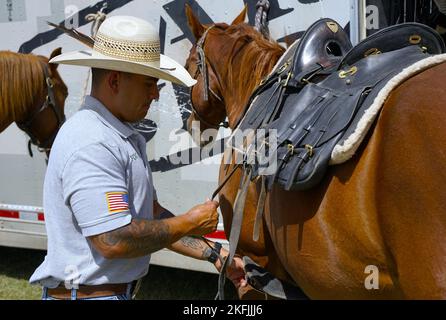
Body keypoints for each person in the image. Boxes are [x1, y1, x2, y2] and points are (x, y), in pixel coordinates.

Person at [29, 15, 246, 300]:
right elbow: (113, 239)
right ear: (116, 80)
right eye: (149, 83)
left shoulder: (119, 135)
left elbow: (150, 216)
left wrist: (214, 253)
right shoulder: (91, 142)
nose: (155, 94)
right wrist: (190, 221)